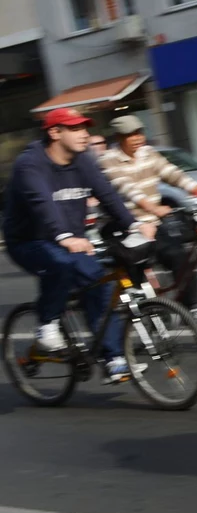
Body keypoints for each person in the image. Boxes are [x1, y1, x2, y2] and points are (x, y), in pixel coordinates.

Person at [2, 108, 156, 381]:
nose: (85, 134)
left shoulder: (83, 161)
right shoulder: (31, 164)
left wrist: (134, 224)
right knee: (59, 265)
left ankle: (114, 359)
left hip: (70, 240)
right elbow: (42, 204)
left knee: (99, 283)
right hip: (29, 240)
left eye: (85, 127)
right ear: (54, 133)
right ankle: (47, 325)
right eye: (75, 128)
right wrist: (65, 236)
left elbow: (108, 195)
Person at [98, 115, 197, 322]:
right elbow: (127, 189)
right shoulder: (108, 159)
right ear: (119, 137)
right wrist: (153, 208)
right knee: (136, 272)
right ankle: (143, 318)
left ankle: (192, 308)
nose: (138, 138)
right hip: (124, 226)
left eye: (139, 132)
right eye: (131, 135)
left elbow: (173, 173)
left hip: (153, 223)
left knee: (179, 257)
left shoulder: (148, 153)